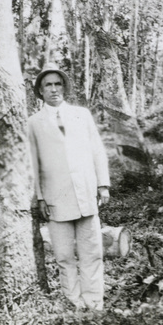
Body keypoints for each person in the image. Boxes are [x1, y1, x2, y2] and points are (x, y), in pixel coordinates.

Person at [28, 63, 110, 311]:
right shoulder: (33, 123)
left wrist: (103, 185)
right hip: (56, 198)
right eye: (48, 85)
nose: (54, 89)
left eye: (58, 84)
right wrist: (40, 198)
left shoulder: (81, 115)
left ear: (64, 87)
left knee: (91, 251)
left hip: (86, 192)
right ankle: (74, 302)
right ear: (40, 92)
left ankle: (94, 302)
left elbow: (97, 150)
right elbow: (33, 162)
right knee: (63, 255)